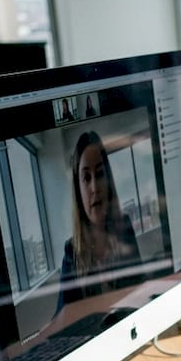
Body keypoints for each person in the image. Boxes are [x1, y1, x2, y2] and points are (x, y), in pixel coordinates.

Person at [58, 130, 142, 307]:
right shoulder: (71, 252)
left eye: (100, 174)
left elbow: (139, 292)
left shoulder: (124, 228)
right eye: (86, 178)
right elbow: (64, 320)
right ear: (78, 191)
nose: (95, 187)